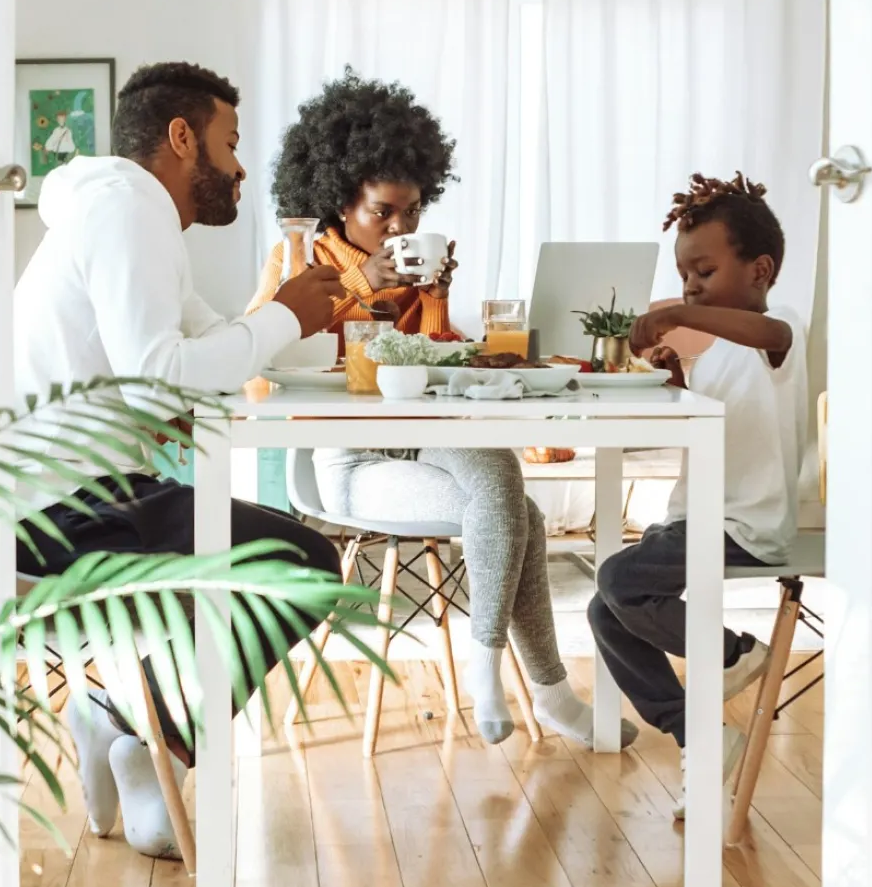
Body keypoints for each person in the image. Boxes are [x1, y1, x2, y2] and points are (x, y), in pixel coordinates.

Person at [14, 61, 347, 859]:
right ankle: (137, 734)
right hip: (51, 512)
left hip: (75, 489)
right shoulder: (129, 211)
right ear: (180, 136)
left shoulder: (123, 213)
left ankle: (126, 724)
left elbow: (197, 347)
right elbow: (165, 370)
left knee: (284, 553)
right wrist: (281, 316)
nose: (237, 169)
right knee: (304, 564)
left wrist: (277, 322)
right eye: (229, 144)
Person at [248, 70, 632, 749]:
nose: (400, 227)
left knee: (502, 480)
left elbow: (425, 368)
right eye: (382, 212)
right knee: (519, 512)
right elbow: (260, 371)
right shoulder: (299, 260)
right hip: (351, 457)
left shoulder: (413, 266)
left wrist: (436, 304)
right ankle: (541, 690)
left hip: (423, 435)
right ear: (338, 200)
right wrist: (358, 284)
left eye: (413, 211)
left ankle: (492, 668)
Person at [587, 172, 808, 818]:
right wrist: (678, 373)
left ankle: (737, 653)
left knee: (620, 582)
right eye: (684, 277)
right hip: (694, 517)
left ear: (760, 271)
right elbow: (710, 422)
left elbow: (767, 340)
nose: (689, 288)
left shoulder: (780, 329)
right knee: (606, 612)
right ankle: (700, 735)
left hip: (744, 522)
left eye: (703, 273)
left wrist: (681, 315)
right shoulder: (716, 355)